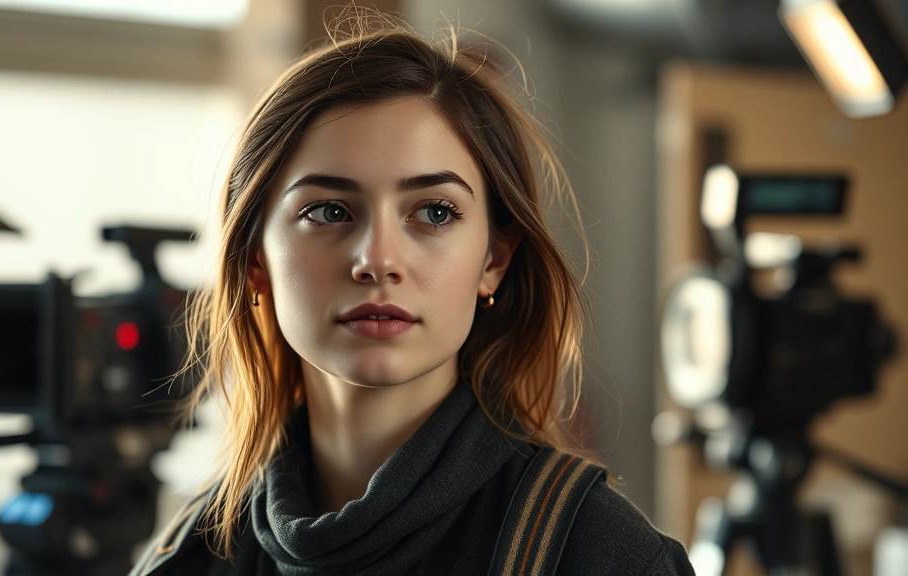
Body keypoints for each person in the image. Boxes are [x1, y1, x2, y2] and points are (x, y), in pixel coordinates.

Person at [131, 8, 694, 576]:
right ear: (256, 259)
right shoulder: (188, 560)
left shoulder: (604, 557)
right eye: (329, 211)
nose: (378, 260)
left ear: (493, 260)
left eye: (434, 211)